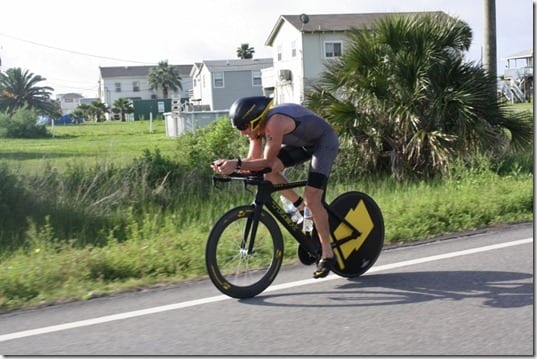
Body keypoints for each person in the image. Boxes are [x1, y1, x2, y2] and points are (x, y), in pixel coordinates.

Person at [211, 96, 340, 278]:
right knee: (269, 174)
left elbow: (267, 161)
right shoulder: (255, 130)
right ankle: (301, 208)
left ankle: (327, 253)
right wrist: (229, 167)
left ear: (255, 120)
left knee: (312, 199)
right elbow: (253, 162)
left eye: (243, 127)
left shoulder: (275, 123)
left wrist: (237, 163)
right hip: (302, 144)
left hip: (323, 143)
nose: (241, 132)